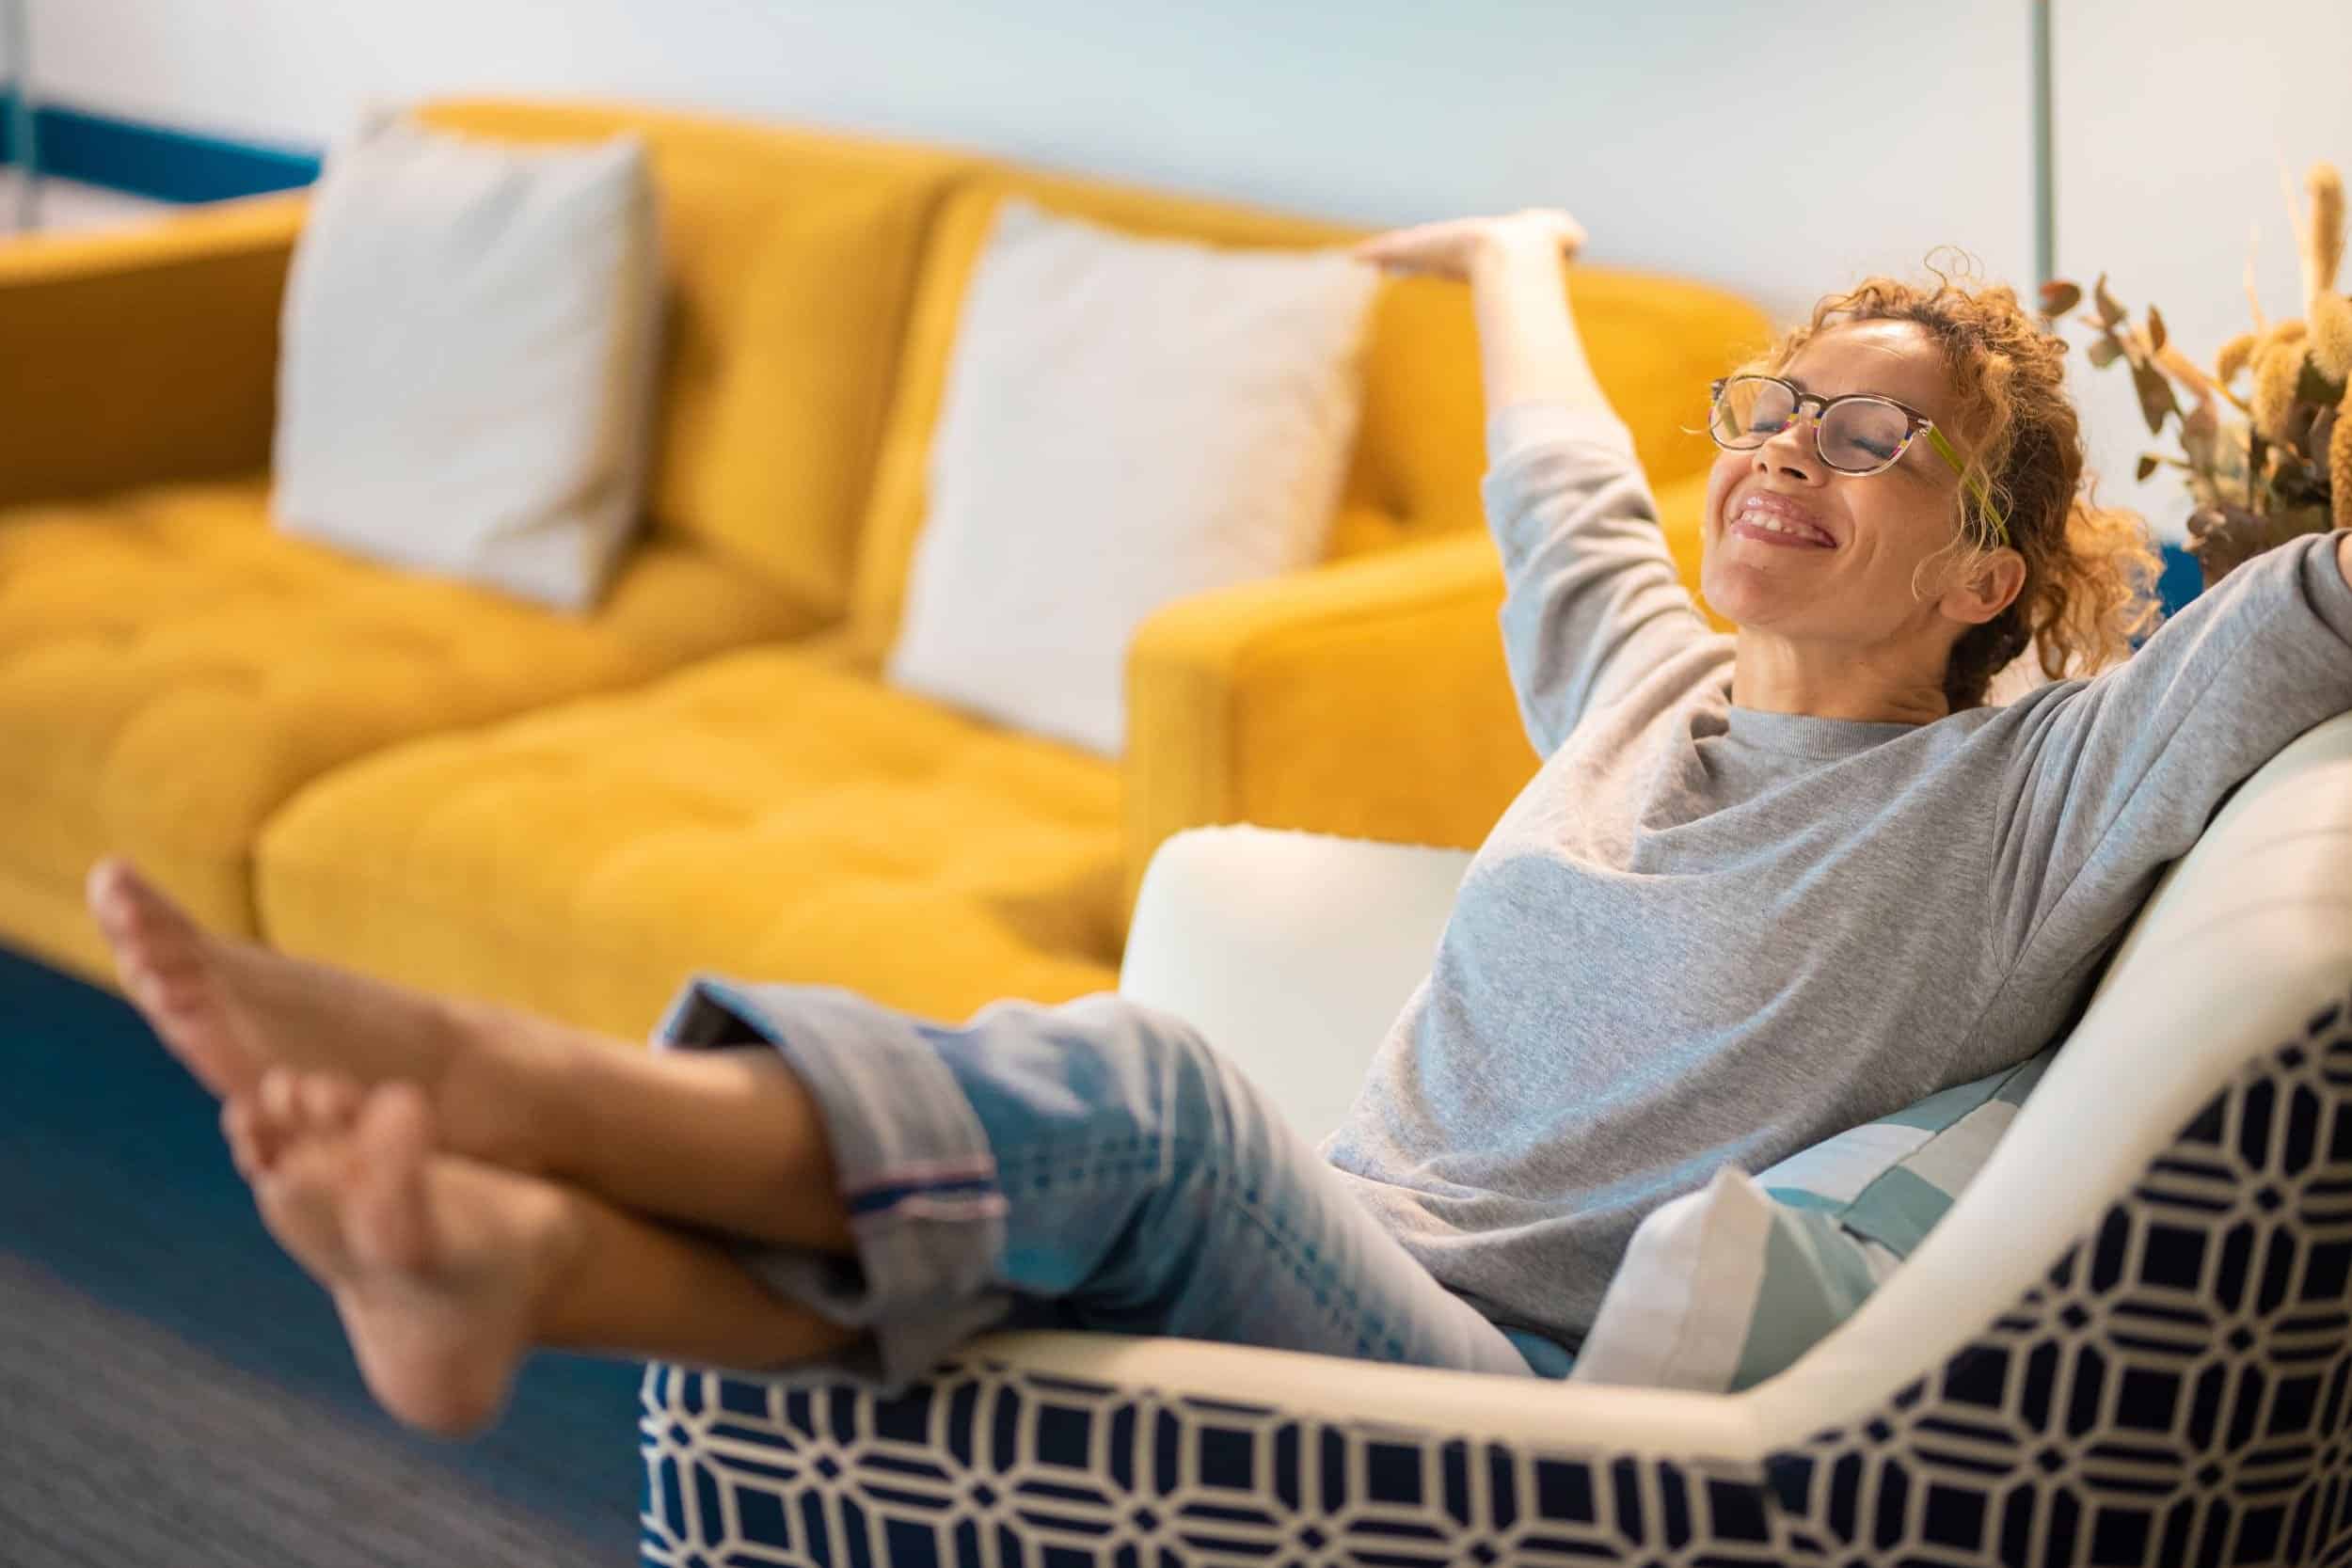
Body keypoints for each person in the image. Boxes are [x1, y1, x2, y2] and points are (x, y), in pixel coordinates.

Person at [86, 210, 2352, 1440]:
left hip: (1513, 1387)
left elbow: (2313, 608)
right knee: (1047, 1163)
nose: (1780, 447)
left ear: (1980, 579)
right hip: (1342, 1248)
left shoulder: (2031, 785)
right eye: (1771, 407)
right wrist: (1508, 267)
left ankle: (483, 1069)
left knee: (1147, 1099)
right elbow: (1560, 490)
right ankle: (514, 1268)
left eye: (1870, 442)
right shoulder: (1638, 687)